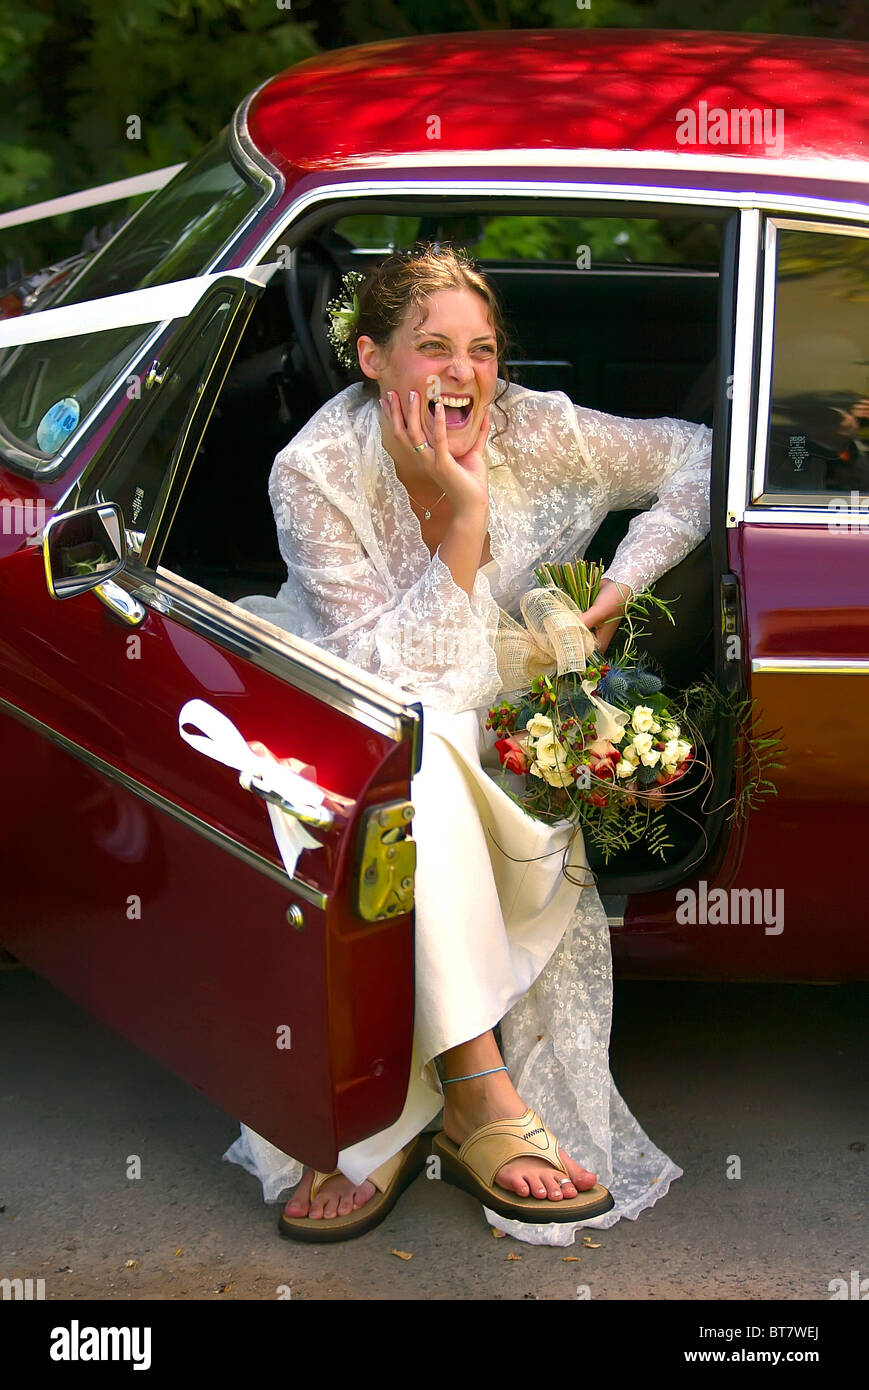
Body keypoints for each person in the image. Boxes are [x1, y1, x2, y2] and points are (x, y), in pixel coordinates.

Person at [224, 244, 712, 1246]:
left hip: (487, 704)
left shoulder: (534, 425)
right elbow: (392, 686)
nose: (462, 373)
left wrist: (619, 586)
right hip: (353, 700)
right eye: (431, 347)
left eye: (481, 350)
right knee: (425, 743)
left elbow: (701, 457)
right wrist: (464, 514)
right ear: (370, 359)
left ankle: (390, 1122)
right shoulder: (312, 469)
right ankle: (475, 1091)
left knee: (441, 742)